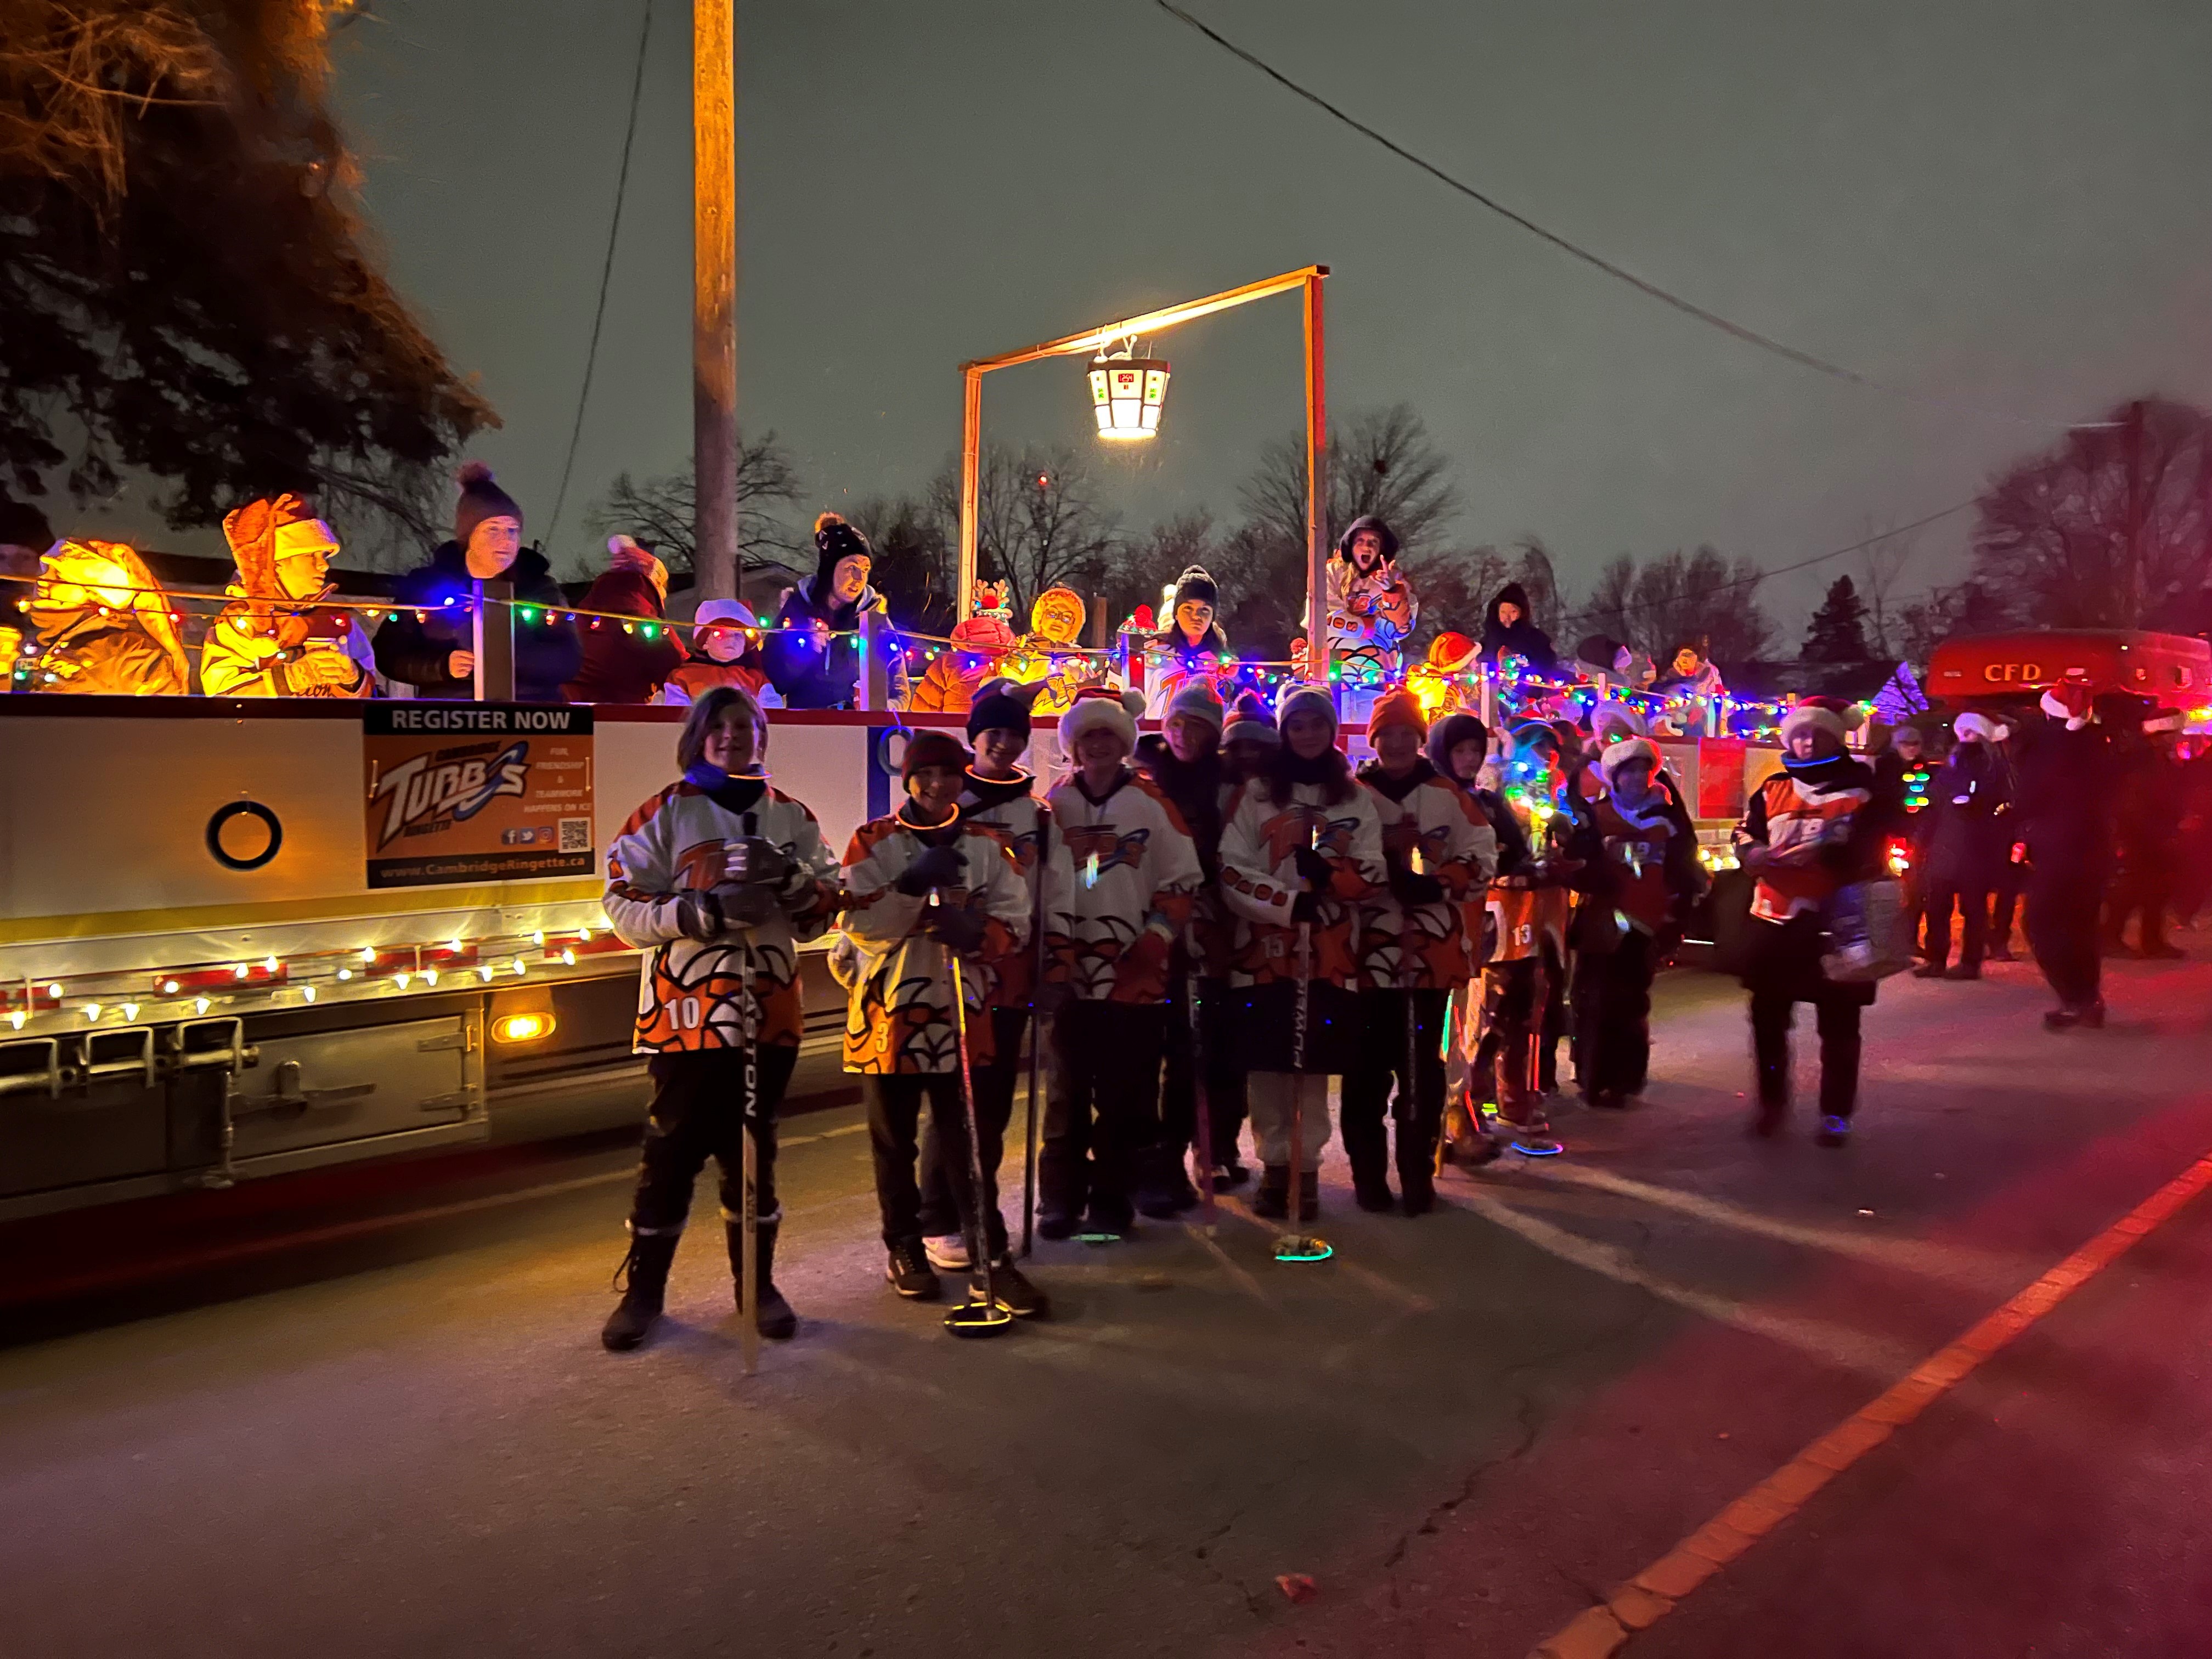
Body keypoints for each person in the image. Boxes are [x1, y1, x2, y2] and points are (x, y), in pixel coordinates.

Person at [596, 685, 842, 1351]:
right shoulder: (664, 813)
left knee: (753, 1149)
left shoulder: (790, 815)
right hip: (686, 1012)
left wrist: (792, 884)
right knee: (671, 1148)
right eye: (722, 727)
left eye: (747, 726)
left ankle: (756, 1285)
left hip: (769, 1011)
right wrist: (696, 914)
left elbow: (824, 909)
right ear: (700, 735)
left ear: (762, 736)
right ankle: (645, 1291)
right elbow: (620, 905)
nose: (735, 737)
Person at [837, 728, 1041, 1310]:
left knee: (968, 1141)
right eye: (925, 773)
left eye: (949, 773)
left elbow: (1016, 917)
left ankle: (989, 1256)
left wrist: (979, 935)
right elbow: (856, 922)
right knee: (893, 1142)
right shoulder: (872, 840)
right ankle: (903, 1246)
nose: (937, 784)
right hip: (889, 1015)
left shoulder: (983, 845)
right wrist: (907, 887)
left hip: (963, 1011)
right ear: (908, 779)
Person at [1036, 687, 1204, 1235]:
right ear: (1073, 746)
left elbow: (1182, 880)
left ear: (1125, 741)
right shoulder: (1053, 805)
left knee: (1125, 1093)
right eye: (1088, 736)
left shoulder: (1153, 804)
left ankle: (1112, 1195)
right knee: (1066, 1091)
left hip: (1134, 971)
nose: (1099, 745)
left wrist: (1157, 938)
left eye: (1109, 734)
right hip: (1069, 972)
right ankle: (1059, 1197)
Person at [1218, 685, 1386, 1220]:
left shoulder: (1354, 797)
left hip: (1329, 953)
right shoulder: (1260, 793)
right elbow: (1230, 867)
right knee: (1268, 1067)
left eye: (1317, 724)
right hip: (1266, 953)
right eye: (1297, 725)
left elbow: (1375, 867)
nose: (1308, 734)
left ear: (1331, 730)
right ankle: (1274, 1164)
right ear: (1285, 732)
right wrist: (1288, 904)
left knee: (1311, 1067)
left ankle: (1306, 1167)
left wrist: (1334, 878)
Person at [915, 679, 1048, 1285]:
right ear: (975, 738)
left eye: (1013, 734)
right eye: (992, 732)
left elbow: (1054, 885)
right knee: (951, 1101)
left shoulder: (1035, 811)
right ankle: (936, 1215)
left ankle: (978, 1212)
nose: (1003, 743)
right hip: (954, 972)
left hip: (1011, 970)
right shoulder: (948, 798)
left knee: (990, 1104)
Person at [1343, 689, 1496, 1212]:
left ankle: (1416, 1173)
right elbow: (1329, 853)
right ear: (1375, 739)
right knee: (1365, 1069)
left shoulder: (1447, 795)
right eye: (1388, 734)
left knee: (1419, 1070)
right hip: (1365, 955)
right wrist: (1379, 869)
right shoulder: (1354, 795)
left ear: (1419, 738)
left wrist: (1440, 883)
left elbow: (1482, 853)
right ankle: (1368, 1179)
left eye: (1408, 733)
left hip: (1428, 953)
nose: (1399, 742)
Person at [1733, 698, 1883, 1144]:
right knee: (1768, 1020)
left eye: (1816, 734)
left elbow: (1875, 844)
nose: (1805, 741)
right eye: (1798, 733)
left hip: (1836, 923)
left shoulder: (1863, 790)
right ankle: (1772, 1104)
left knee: (1839, 1025)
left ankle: (1836, 1114)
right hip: (1775, 920)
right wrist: (1753, 853)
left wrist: (1833, 853)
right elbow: (1746, 832)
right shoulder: (1772, 786)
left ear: (1834, 738)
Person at [1133, 677, 1239, 1206]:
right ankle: (1145, 1159)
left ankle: (1179, 1153)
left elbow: (1231, 854)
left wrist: (1210, 899)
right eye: (1176, 723)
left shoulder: (1223, 786)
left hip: (1206, 930)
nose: (1183, 736)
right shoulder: (1147, 782)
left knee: (1192, 1048)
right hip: (1149, 929)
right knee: (1144, 1051)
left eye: (1196, 726)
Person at [1566, 737, 1702, 1107]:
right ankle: (1593, 1078)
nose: (1638, 778)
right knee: (1593, 1000)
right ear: (1615, 777)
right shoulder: (1595, 817)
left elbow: (1683, 869)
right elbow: (1579, 864)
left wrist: (1677, 917)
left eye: (1644, 770)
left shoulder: (1668, 818)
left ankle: (1626, 1079)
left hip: (1645, 922)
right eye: (1629, 772)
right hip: (1602, 920)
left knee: (1630, 1002)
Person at [373, 464, 580, 701]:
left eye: (513, 531)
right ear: (469, 535)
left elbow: (569, 659)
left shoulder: (539, 588)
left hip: (531, 713)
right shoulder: (427, 587)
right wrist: (441, 666)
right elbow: (390, 654)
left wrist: (508, 658)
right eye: (493, 529)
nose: (506, 540)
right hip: (450, 716)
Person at [201, 494, 376, 698]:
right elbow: (221, 695)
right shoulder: (242, 621)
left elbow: (371, 698)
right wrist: (290, 678)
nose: (324, 565)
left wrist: (353, 680)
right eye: (311, 555)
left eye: (325, 556)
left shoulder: (338, 620)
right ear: (277, 564)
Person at [2015, 678, 2116, 1029]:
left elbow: (2030, 794)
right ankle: (2087, 999)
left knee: (2042, 923)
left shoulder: (2049, 747)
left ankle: (2076, 998)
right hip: (2094, 848)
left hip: (2060, 849)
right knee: (2080, 925)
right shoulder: (2097, 742)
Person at [765, 511, 907, 709]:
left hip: (858, 733)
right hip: (806, 730)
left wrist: (882, 710)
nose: (860, 578)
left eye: (865, 569)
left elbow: (900, 690)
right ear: (830, 569)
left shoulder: (873, 619)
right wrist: (803, 651)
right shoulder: (798, 610)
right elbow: (773, 683)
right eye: (851, 567)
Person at [18, 538, 191, 695]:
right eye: (46, 569)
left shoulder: (125, 657)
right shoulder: (26, 634)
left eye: (60, 576)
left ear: (94, 593)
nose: (43, 579)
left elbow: (161, 722)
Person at [1914, 712, 2012, 980]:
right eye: (1962, 732)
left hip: (1974, 848)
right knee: (1938, 907)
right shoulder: (1950, 769)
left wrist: (1982, 812)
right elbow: (1934, 805)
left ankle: (1969, 963)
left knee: (1972, 909)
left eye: (1971, 732)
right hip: (1947, 846)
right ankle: (1937, 959)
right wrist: (1923, 839)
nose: (1965, 738)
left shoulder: (1993, 768)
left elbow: (2004, 805)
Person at [564, 535, 684, 704]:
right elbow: (680, 673)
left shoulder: (578, 620)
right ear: (654, 586)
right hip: (626, 717)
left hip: (571, 716)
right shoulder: (648, 627)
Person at [2105, 719, 2186, 960]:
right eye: (2172, 733)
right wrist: (2150, 834)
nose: (2176, 738)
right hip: (2143, 836)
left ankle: (2152, 941)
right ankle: (2111, 937)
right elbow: (2137, 803)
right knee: (2133, 889)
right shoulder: (2145, 763)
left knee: (2157, 890)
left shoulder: (2160, 761)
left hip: (2154, 834)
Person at [1326, 515, 1418, 682]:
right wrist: (1366, 626)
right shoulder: (1333, 572)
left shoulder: (1394, 579)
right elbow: (1322, 616)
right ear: (1351, 546)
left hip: (1378, 675)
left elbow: (1399, 630)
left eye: (1373, 542)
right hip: (1332, 674)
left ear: (1381, 549)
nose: (1366, 547)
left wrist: (1391, 591)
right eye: (1360, 541)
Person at [907, 582, 1016, 714]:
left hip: (955, 732)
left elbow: (924, 712)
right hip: (1000, 732)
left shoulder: (948, 662)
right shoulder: (1015, 662)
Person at [1143, 565, 1232, 720]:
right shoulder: (1156, 650)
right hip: (1157, 737)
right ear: (1176, 613)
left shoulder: (1221, 659)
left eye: (1204, 609)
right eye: (1188, 608)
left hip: (1206, 738)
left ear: (1212, 617)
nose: (1196, 616)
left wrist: (1237, 680)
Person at [1002, 584, 1101, 714]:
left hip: (1068, 725)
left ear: (1073, 626)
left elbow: (1090, 696)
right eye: (1052, 614)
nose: (1059, 621)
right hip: (1031, 721)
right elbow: (1008, 684)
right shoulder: (1026, 652)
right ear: (1040, 617)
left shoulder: (1076, 659)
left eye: (1066, 618)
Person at [663, 599, 770, 706]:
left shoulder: (757, 680)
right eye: (719, 634)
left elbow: (773, 715)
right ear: (705, 642)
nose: (731, 639)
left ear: (745, 644)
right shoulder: (682, 678)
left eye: (738, 634)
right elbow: (677, 715)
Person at [1478, 582, 1557, 677]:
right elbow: (1479, 663)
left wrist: (1523, 663)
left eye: (1513, 612)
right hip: (1490, 690)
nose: (1507, 617)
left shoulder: (1537, 640)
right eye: (1503, 612)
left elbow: (1547, 666)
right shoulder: (1488, 640)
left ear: (1522, 613)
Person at [1653, 642, 1725, 736]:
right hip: (1675, 720)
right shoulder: (1670, 677)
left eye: (1689, 655)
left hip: (1701, 722)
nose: (1685, 659)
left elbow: (1714, 697)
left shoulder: (1708, 675)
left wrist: (1701, 710)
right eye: (1682, 655)